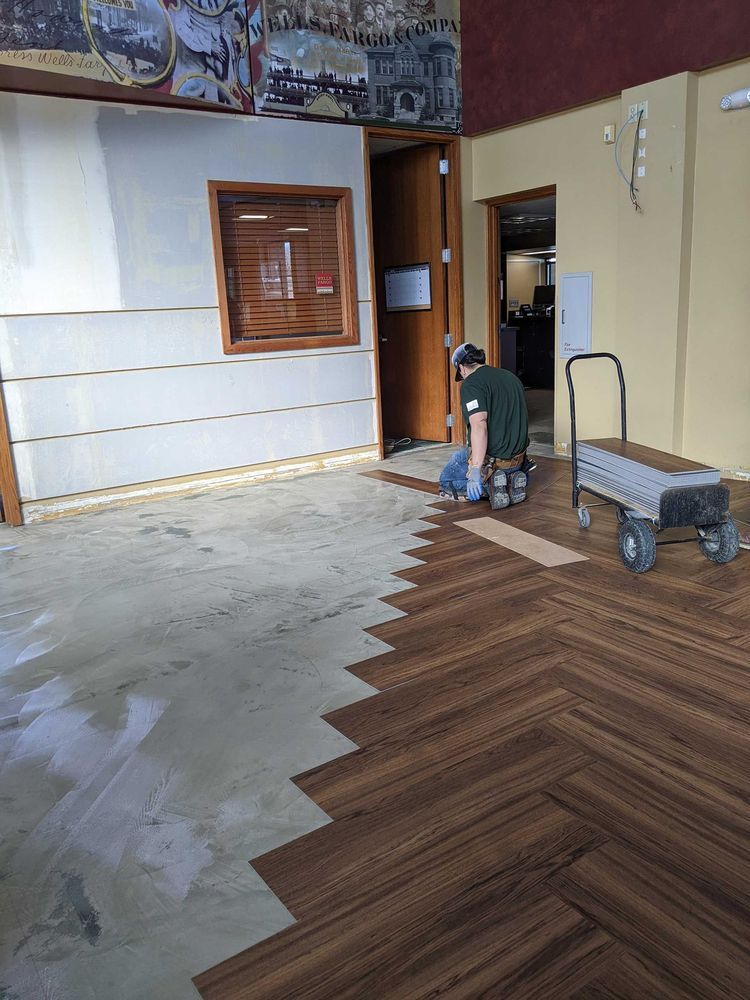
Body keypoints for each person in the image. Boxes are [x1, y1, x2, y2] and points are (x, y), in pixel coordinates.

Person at [439, 343, 533, 508]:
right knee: (465, 457)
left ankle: (492, 487)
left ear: (462, 368)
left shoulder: (472, 384)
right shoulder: (511, 377)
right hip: (519, 459)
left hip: (494, 461)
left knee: (447, 480)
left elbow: (479, 426)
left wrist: (475, 470)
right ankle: (512, 480)